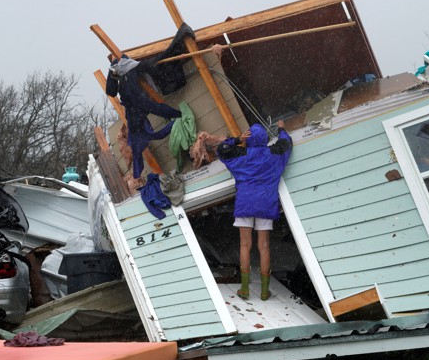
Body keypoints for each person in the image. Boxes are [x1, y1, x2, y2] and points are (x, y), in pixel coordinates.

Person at [105, 23, 195, 179]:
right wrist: (112, 73)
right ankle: (138, 175)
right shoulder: (125, 76)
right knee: (144, 138)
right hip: (138, 114)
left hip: (140, 111)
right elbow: (111, 91)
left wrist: (174, 114)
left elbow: (157, 61)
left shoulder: (132, 71)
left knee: (145, 136)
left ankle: (138, 175)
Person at [216, 120, 292, 300]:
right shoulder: (274, 153)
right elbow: (286, 142)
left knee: (245, 245)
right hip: (266, 203)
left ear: (248, 139)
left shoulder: (239, 154)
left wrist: (237, 139)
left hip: (245, 203)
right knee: (264, 246)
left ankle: (245, 289)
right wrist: (281, 128)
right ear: (265, 139)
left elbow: (221, 150)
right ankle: (265, 292)